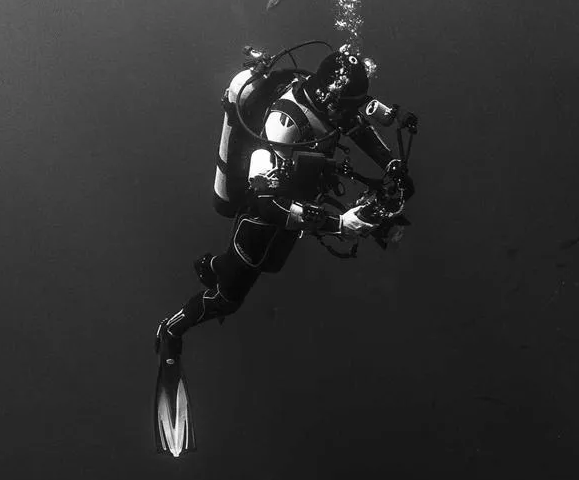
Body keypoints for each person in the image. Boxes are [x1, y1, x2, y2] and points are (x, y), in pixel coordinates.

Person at [152, 41, 417, 454]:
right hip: (263, 214)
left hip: (296, 200)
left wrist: (392, 165)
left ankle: (216, 268)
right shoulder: (283, 123)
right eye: (348, 107)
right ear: (330, 97)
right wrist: (337, 223)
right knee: (229, 297)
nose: (352, 115)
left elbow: (357, 127)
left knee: (273, 264)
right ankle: (171, 331)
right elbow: (265, 203)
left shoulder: (333, 106)